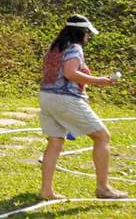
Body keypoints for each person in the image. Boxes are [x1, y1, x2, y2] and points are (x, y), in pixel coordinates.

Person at [38, 15, 127, 201]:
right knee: (102, 136)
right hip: (65, 98)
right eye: (87, 33)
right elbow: (70, 73)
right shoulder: (75, 48)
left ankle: (46, 191)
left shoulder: (55, 46)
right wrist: (99, 81)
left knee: (55, 142)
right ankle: (103, 188)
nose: (88, 37)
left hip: (46, 96)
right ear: (81, 32)